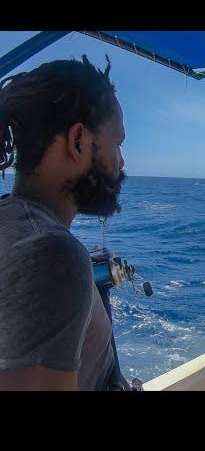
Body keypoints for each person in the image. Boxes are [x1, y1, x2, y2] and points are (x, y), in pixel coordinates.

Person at [0, 55, 128, 390]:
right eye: (117, 142)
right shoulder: (50, 255)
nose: (122, 161)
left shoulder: (11, 221)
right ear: (78, 141)